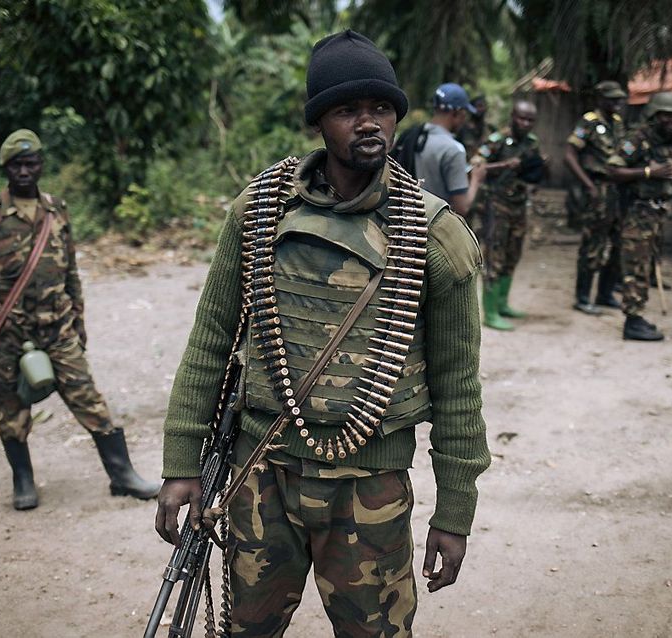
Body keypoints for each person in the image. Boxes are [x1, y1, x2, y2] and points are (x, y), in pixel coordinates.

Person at [154, 30, 491, 637]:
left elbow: (458, 387)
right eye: (347, 110)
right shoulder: (259, 210)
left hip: (371, 488)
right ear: (319, 122)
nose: (369, 124)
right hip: (262, 473)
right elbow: (209, 343)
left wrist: (456, 512)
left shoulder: (435, 236)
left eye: (381, 109)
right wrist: (181, 463)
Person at [0, 129, 161, 510]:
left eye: (31, 163)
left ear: (41, 165)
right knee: (11, 411)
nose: (25, 171)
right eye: (17, 164)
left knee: (90, 400)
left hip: (57, 326)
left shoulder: (57, 210)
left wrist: (79, 321)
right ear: (6, 168)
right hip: (6, 330)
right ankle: (23, 481)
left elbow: (71, 274)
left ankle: (123, 476)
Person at [607, 92, 672, 341]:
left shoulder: (668, 141)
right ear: (655, 115)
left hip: (656, 214)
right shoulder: (637, 138)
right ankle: (632, 320)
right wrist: (650, 172)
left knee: (646, 267)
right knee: (635, 267)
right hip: (637, 213)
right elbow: (613, 169)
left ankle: (638, 315)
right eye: (668, 115)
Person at [471, 101, 545, 331]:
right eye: (522, 118)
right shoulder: (497, 141)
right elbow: (474, 166)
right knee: (495, 256)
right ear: (512, 116)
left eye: (530, 120)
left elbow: (531, 171)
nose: (525, 123)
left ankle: (503, 303)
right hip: (496, 206)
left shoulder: (532, 143)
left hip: (519, 205)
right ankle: (490, 312)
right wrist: (504, 165)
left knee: (514, 253)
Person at [564, 80, 627, 315]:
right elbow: (569, 155)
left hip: (618, 190)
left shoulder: (618, 123)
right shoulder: (589, 122)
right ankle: (582, 297)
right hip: (598, 188)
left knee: (618, 243)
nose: (617, 103)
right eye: (611, 99)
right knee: (593, 244)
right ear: (600, 99)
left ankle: (605, 293)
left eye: (619, 99)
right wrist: (588, 184)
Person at [412, 82, 489, 216]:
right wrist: (476, 179)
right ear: (456, 113)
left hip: (406, 217)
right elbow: (462, 207)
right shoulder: (454, 149)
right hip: (434, 224)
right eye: (464, 114)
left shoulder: (415, 136)